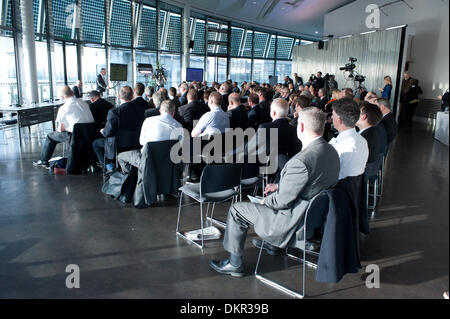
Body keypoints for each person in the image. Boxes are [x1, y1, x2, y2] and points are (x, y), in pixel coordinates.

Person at [209, 107, 340, 276]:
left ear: (300, 127)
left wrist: (265, 201)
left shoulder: (301, 161)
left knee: (237, 210)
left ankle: (234, 264)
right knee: (272, 194)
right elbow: (313, 183)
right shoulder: (331, 151)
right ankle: (272, 245)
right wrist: (279, 187)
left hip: (291, 221)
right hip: (312, 217)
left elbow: (281, 202)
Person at [33, 86, 94, 167]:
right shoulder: (84, 103)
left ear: (62, 97)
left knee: (50, 136)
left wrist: (67, 127)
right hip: (90, 134)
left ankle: (44, 160)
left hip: (75, 136)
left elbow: (60, 129)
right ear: (72, 93)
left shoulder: (63, 108)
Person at [117, 99, 183, 174]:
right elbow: (180, 145)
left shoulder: (148, 121)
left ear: (160, 111)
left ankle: (133, 181)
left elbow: (141, 142)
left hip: (147, 160)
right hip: (169, 162)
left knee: (121, 157)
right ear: (173, 113)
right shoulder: (178, 126)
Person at [92, 86, 145, 170]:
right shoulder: (141, 110)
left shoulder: (114, 112)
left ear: (119, 96)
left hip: (118, 145)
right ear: (132, 96)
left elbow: (108, 132)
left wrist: (103, 131)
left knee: (95, 144)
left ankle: (108, 166)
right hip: (136, 143)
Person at [329, 97, 369, 180]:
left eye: (333, 114)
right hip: (354, 189)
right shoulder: (362, 140)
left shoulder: (339, 148)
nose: (331, 117)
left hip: (337, 189)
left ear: (339, 120)